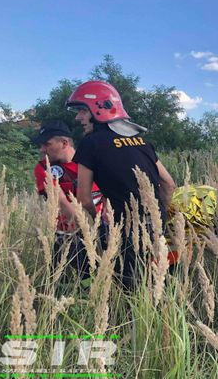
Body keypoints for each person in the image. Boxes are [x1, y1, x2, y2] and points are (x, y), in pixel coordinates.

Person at [67, 80, 176, 289]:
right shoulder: (142, 141)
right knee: (158, 284)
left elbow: (83, 199)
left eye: (81, 110)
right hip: (156, 226)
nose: (77, 117)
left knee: (131, 290)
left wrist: (101, 226)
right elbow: (169, 184)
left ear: (99, 109)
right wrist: (161, 215)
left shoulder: (90, 144)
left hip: (125, 229)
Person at [33, 121, 103, 279]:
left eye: (46, 144)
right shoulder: (44, 168)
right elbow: (63, 204)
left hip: (104, 231)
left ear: (64, 143)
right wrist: (92, 236)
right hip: (67, 237)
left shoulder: (93, 161)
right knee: (66, 285)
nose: (42, 149)